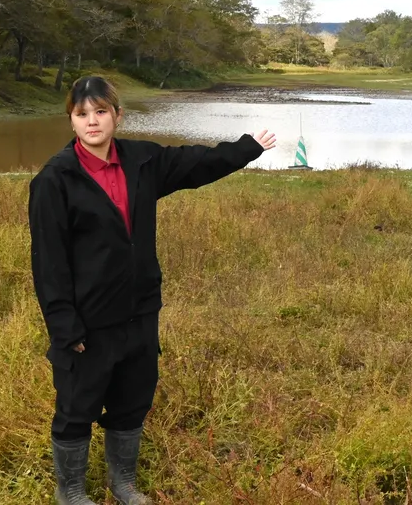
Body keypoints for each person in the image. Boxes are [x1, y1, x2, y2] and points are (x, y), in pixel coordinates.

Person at [28, 76, 276, 505]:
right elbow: (48, 263)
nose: (92, 121)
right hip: (88, 322)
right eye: (82, 114)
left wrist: (246, 148)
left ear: (117, 116)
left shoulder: (142, 161)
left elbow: (195, 164)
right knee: (77, 408)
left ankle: (123, 484)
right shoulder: (55, 180)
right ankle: (70, 492)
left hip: (139, 313)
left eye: (101, 111)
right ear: (70, 120)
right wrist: (65, 328)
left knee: (132, 401)